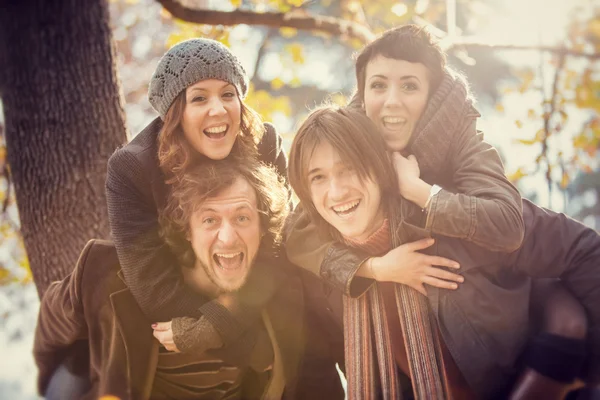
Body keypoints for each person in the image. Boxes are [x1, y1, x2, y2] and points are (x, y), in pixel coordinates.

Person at [286, 25, 598, 397]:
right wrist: (375, 269)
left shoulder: (462, 175)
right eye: (379, 86)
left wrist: (422, 193)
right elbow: (296, 232)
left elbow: (534, 233)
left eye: (410, 86)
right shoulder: (339, 183)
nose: (391, 102)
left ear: (431, 95)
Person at [34, 157, 344, 399]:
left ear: (262, 229)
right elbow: (52, 332)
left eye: (242, 218)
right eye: (209, 219)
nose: (227, 237)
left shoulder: (283, 290)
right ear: (186, 229)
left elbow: (317, 384)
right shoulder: (105, 271)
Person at [105, 38, 288, 359]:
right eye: (199, 98)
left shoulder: (264, 144)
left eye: (228, 94)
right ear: (176, 114)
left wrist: (221, 324)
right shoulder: (133, 168)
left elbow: (279, 247)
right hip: (183, 298)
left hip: (256, 292)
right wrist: (244, 344)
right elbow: (153, 286)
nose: (217, 109)